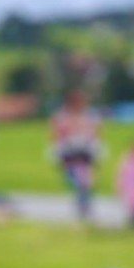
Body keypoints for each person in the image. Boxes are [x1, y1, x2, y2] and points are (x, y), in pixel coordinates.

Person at [51, 91, 101, 220]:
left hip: (85, 155)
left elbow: (95, 135)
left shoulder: (89, 116)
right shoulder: (63, 118)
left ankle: (84, 206)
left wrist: (96, 151)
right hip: (70, 156)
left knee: (86, 183)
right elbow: (57, 137)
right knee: (79, 183)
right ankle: (82, 206)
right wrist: (57, 154)